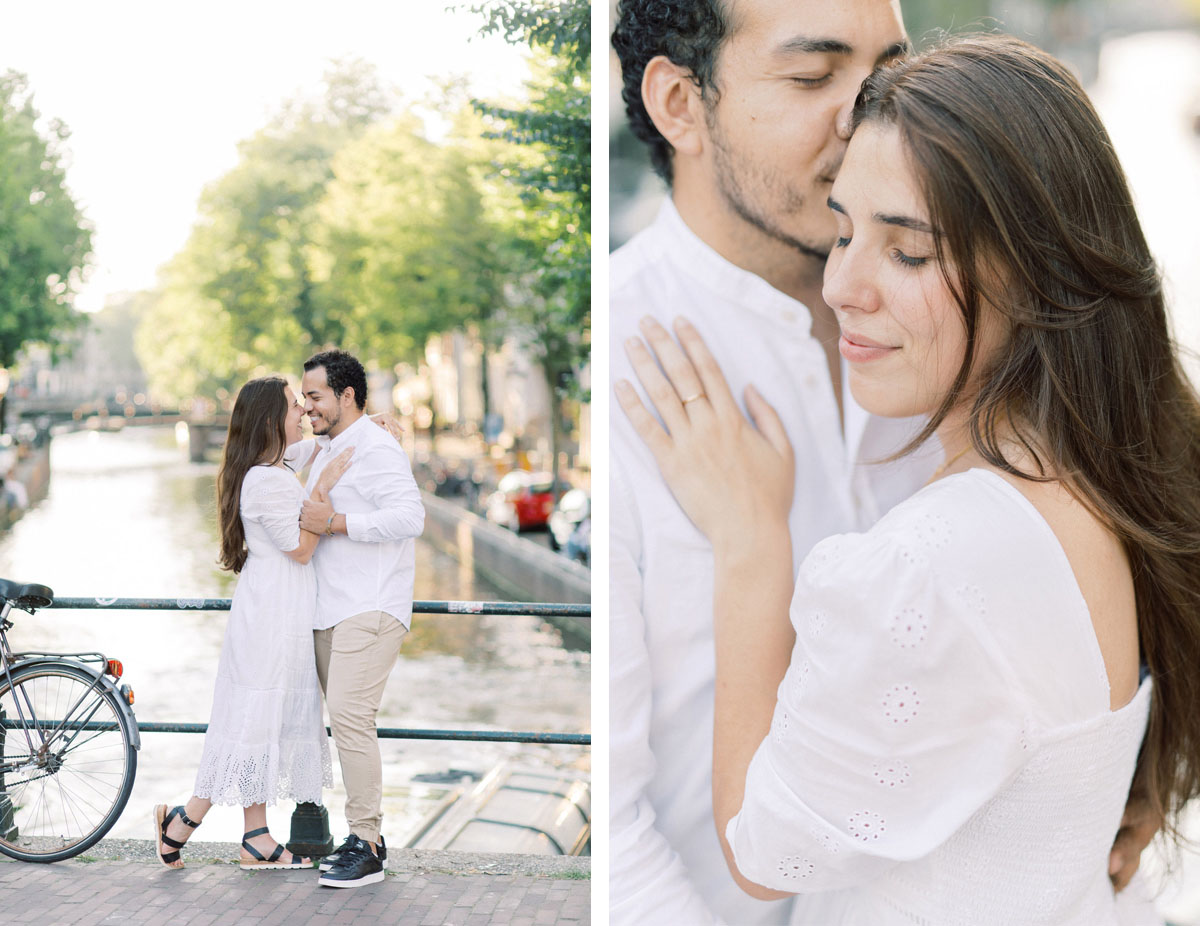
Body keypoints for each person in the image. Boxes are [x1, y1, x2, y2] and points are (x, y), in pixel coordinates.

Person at [618, 34, 1200, 924]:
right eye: (845, 232)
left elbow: (761, 848)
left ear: (1038, 266)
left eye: (909, 253)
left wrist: (749, 545)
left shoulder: (940, 555)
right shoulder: (1100, 477)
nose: (844, 285)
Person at [153, 376, 354, 870]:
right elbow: (303, 550)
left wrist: (363, 426)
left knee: (262, 722)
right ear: (270, 420)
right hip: (271, 616)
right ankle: (183, 824)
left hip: (277, 609)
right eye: (292, 407)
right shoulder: (266, 480)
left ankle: (253, 838)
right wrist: (323, 493)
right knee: (251, 722)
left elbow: (316, 447)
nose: (302, 414)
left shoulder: (274, 465)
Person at [292, 349, 425, 889]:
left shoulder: (375, 448)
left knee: (349, 716)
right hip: (330, 608)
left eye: (316, 397)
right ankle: (362, 838)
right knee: (341, 721)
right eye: (303, 399)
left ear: (347, 395)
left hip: (370, 605)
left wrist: (336, 522)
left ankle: (367, 842)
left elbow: (410, 515)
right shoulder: (329, 445)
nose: (307, 408)